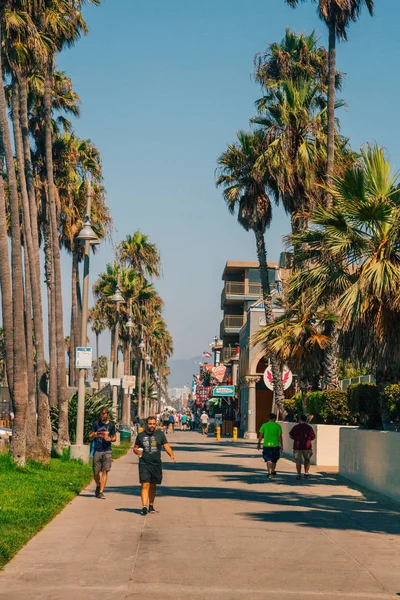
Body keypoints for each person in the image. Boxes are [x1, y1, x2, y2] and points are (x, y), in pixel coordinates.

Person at [133, 415, 176, 515]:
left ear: (156, 424)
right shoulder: (140, 435)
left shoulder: (160, 434)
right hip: (144, 463)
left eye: (153, 424)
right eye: (150, 424)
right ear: (146, 424)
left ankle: (151, 505)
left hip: (156, 464)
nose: (152, 426)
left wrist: (171, 455)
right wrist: (136, 451)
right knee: (145, 484)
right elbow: (135, 447)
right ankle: (144, 506)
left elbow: (166, 446)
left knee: (153, 485)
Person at [89, 407, 117, 499]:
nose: (103, 417)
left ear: (108, 415)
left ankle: (101, 492)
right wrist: (95, 434)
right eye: (102, 415)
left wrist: (109, 439)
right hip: (97, 450)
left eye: (104, 415)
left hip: (107, 450)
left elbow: (114, 437)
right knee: (96, 472)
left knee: (105, 471)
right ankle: (98, 484)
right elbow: (90, 436)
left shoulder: (111, 425)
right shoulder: (96, 424)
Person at [289, 414, 316, 480]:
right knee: (307, 459)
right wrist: (309, 440)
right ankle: (306, 473)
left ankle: (298, 474)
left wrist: (296, 439)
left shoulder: (296, 427)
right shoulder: (309, 427)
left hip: (297, 446)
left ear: (300, 419)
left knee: (298, 460)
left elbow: (291, 435)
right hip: (307, 446)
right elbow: (313, 436)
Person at [257, 413, 283, 478]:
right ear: (275, 418)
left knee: (268, 459)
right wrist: (281, 445)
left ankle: (269, 473)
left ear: (268, 418)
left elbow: (261, 435)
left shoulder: (264, 425)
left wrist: (259, 443)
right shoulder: (277, 426)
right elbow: (280, 436)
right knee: (274, 459)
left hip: (266, 445)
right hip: (275, 445)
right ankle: (272, 471)